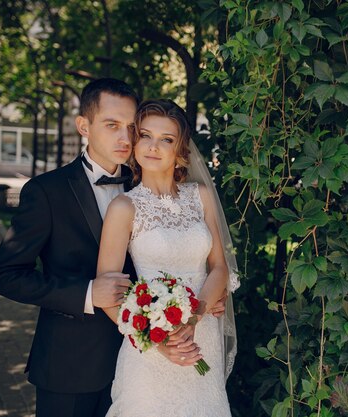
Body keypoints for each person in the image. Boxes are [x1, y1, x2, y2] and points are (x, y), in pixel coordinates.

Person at [0, 79, 227, 417]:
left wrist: (206, 299)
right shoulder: (46, 191)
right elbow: (4, 275)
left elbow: (181, 257)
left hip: (143, 359)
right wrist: (86, 294)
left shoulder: (146, 180)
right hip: (72, 363)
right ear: (83, 125)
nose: (125, 138)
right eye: (112, 125)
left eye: (133, 128)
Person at [96, 99, 239, 417]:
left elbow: (218, 268)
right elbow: (108, 295)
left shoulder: (199, 196)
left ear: (180, 150)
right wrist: (157, 340)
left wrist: (193, 318)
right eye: (145, 135)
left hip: (202, 336)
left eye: (166, 139)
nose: (153, 146)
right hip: (150, 347)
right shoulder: (124, 208)